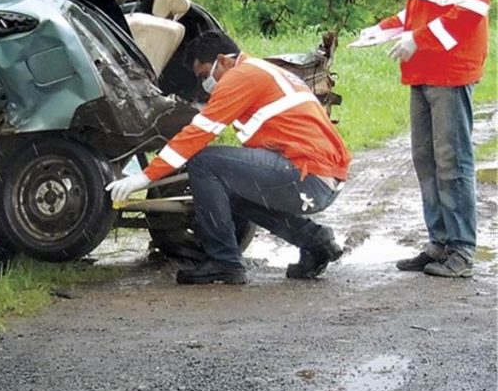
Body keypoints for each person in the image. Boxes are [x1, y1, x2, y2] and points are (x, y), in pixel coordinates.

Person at [105, 31, 352, 285]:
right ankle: (315, 241)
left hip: (307, 174)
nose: (205, 84)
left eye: (204, 75)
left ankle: (224, 262)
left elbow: (197, 135)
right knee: (228, 187)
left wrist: (144, 177)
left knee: (204, 162)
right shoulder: (258, 70)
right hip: (321, 176)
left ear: (223, 60)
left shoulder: (240, 76)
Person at [361, 0, 490, 278]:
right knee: (425, 160)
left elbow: (473, 7)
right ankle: (439, 242)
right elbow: (420, 9)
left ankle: (462, 249)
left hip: (450, 70)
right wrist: (384, 28)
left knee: (452, 161)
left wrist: (420, 39)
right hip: (422, 70)